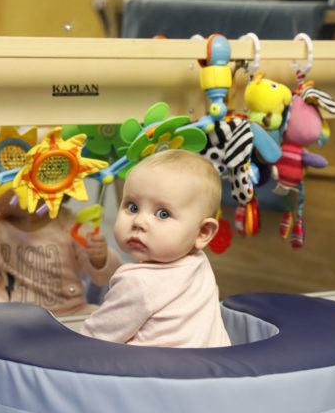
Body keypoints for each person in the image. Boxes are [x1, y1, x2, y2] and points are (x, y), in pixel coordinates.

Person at [81, 149, 231, 347]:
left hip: (153, 375)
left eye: (162, 214)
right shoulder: (199, 264)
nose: (139, 221)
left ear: (203, 232)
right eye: (132, 207)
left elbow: (92, 338)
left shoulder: (137, 282)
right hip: (210, 370)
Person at [0, 189, 121, 317]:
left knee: (108, 320)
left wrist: (100, 258)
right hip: (11, 314)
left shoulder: (72, 225)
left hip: (69, 311)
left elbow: (104, 279)